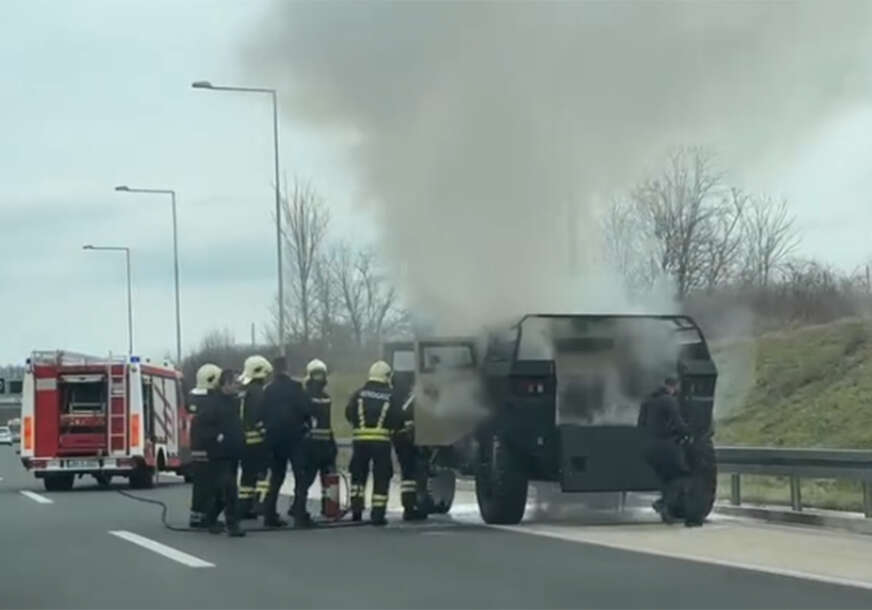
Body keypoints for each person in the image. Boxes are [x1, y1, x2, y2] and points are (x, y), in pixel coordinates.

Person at [346, 361, 404, 526]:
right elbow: (397, 419)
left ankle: (356, 511)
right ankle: (377, 514)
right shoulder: (391, 396)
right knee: (381, 477)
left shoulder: (358, 394)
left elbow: (348, 413)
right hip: (381, 443)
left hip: (359, 442)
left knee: (358, 475)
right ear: (386, 376)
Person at [262, 356, 314, 528]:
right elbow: (306, 409)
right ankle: (300, 515)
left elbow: (261, 413)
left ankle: (269, 515)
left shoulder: (268, 390)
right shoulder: (296, 387)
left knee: (276, 478)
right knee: (301, 476)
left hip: (274, 439)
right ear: (287, 368)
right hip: (294, 438)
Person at [637, 376, 692, 524]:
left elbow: (640, 425)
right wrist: (689, 432)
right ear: (674, 386)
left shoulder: (647, 401)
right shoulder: (669, 400)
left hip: (648, 449)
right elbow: (679, 424)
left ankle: (666, 512)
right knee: (683, 476)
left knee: (666, 479)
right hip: (665, 446)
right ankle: (662, 504)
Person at [200, 369, 246, 537]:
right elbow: (202, 427)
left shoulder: (234, 402)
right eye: (235, 383)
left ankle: (211, 518)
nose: (237, 386)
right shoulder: (213, 403)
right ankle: (233, 524)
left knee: (222, 491)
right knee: (230, 488)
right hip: (219, 454)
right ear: (226, 384)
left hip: (233, 452)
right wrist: (216, 436)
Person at [301, 359, 338, 516]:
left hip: (325, 445)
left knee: (329, 479)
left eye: (321, 375)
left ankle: (330, 508)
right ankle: (298, 508)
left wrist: (332, 443)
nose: (319, 378)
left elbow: (327, 423)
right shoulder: (304, 396)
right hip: (310, 446)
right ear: (310, 376)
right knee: (306, 479)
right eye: (316, 375)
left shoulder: (326, 397)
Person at [237, 355, 272, 519]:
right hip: (257, 442)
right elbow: (259, 417)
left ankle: (244, 508)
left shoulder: (244, 392)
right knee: (262, 475)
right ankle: (260, 504)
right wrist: (267, 434)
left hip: (244, 442)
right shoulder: (258, 392)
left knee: (246, 477)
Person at [187, 363, 222, 529]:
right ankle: (207, 516)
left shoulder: (192, 397)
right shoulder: (213, 400)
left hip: (196, 446)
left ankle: (197, 514)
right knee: (211, 482)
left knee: (200, 482)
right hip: (210, 446)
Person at [392, 389, 427, 521]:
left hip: (400, 438)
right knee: (410, 475)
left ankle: (410, 507)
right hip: (405, 439)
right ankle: (410, 508)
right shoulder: (410, 401)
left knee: (408, 475)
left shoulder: (398, 399)